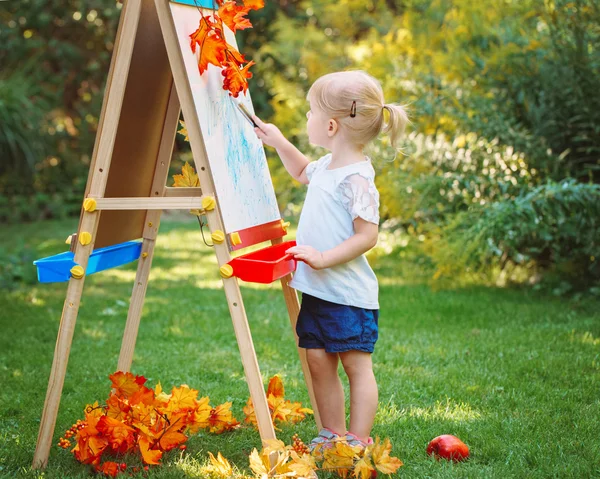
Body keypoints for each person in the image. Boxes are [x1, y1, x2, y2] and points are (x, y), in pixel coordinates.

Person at [252, 70, 408, 450]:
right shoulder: (326, 167)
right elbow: (304, 172)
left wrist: (323, 257)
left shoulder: (356, 179)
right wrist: (280, 143)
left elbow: (367, 235)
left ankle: (357, 439)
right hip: (319, 291)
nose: (306, 118)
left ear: (332, 125)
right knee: (318, 361)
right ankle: (332, 433)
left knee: (356, 366)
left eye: (309, 112)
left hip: (348, 295)